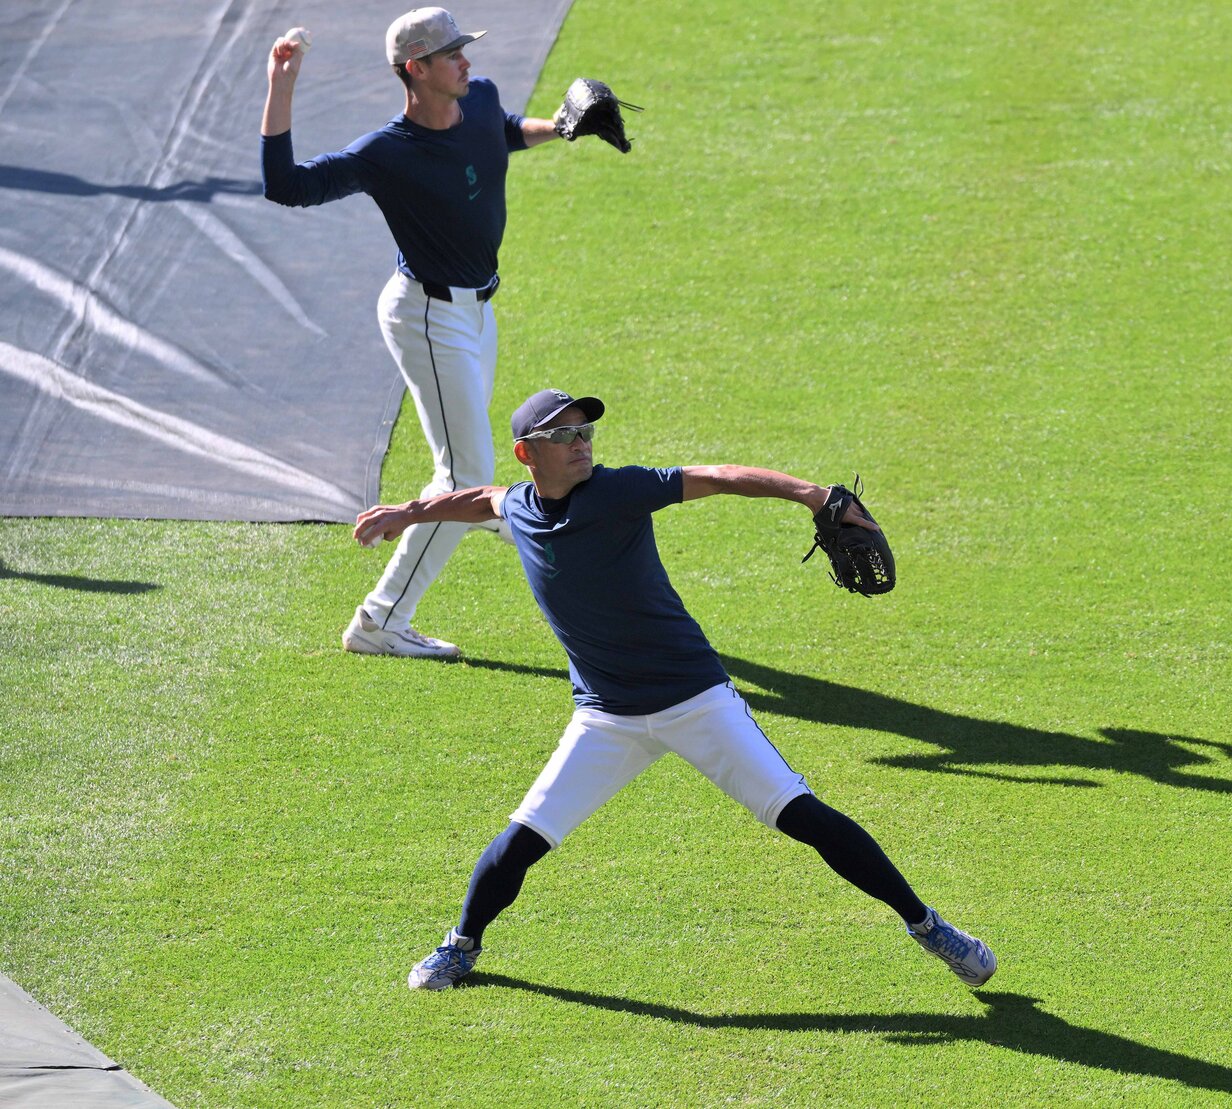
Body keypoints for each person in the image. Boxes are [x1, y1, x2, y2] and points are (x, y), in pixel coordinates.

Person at [353, 388, 997, 991]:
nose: (581, 443)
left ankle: (929, 927)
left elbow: (718, 476)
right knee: (523, 837)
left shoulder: (619, 492)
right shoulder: (519, 506)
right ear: (528, 453)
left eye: (586, 432)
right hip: (605, 718)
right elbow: (482, 500)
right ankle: (461, 946)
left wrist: (812, 495)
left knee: (804, 817)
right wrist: (411, 512)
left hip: (696, 703)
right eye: (564, 435)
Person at [262, 8, 588, 658]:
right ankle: (381, 619)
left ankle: (487, 522)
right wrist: (282, 84)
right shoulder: (386, 152)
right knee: (466, 471)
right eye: (452, 55)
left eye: (464, 49)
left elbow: (500, 133)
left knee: (459, 470)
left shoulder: (480, 98)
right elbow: (287, 186)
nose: (467, 61)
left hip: (478, 312)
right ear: (416, 68)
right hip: (428, 317)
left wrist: (559, 127)